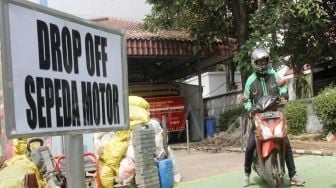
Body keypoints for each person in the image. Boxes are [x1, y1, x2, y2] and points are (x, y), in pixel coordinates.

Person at [242, 46, 305, 187]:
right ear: (254, 63)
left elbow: (281, 86)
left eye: (264, 61)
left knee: (286, 142)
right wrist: (249, 108)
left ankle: (293, 174)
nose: (262, 64)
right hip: (259, 117)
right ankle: (246, 174)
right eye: (259, 62)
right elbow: (247, 100)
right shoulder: (250, 81)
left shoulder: (274, 74)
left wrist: (283, 93)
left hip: (276, 114)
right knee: (250, 146)